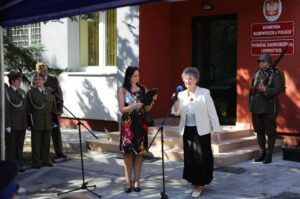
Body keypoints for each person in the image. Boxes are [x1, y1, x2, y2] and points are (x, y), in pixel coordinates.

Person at [172, 67, 221, 198]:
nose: (187, 81)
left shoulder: (204, 93)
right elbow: (175, 112)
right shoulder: (181, 95)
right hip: (187, 130)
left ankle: (200, 185)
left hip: (202, 131)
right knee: (190, 158)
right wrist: (176, 100)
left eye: (190, 79)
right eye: (185, 79)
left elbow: (212, 113)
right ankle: (195, 183)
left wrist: (217, 130)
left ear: (196, 80)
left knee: (201, 158)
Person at [117, 66, 157, 193]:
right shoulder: (123, 90)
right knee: (128, 154)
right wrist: (134, 106)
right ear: (129, 77)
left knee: (139, 154)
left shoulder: (143, 89)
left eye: (138, 75)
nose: (137, 78)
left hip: (140, 124)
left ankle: (137, 181)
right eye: (135, 76)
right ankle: (128, 182)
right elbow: (122, 109)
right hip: (128, 125)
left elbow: (146, 109)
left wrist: (153, 102)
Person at [249, 54, 283, 164]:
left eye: (263, 62)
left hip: (269, 107)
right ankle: (262, 153)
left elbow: (279, 89)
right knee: (259, 131)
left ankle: (269, 155)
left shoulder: (275, 74)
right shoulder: (257, 73)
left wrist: (266, 90)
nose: (260, 63)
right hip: (256, 106)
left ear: (268, 62)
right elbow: (251, 89)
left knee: (270, 132)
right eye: (259, 62)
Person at [35, 62, 66, 159]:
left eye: (45, 71)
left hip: (54, 110)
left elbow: (60, 94)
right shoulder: (36, 81)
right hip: (42, 113)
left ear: (47, 69)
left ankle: (59, 152)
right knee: (44, 134)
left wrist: (60, 109)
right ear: (37, 71)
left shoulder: (54, 79)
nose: (44, 73)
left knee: (56, 132)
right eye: (41, 71)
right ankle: (44, 155)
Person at [27, 73, 58, 169]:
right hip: (36, 121)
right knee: (36, 143)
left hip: (48, 121)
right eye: (35, 79)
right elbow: (28, 109)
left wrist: (55, 120)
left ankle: (46, 160)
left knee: (46, 142)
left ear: (44, 80)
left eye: (39, 79)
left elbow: (54, 107)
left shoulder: (50, 91)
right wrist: (29, 122)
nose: (37, 81)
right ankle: (36, 162)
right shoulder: (31, 93)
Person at [5, 71, 27, 172]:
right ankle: (10, 166)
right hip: (13, 125)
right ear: (13, 81)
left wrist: (27, 123)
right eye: (18, 80)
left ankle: (19, 164)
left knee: (19, 145)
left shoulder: (21, 92)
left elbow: (24, 109)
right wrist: (7, 124)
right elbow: (6, 109)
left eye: (20, 79)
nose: (20, 81)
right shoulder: (7, 92)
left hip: (22, 124)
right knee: (11, 147)